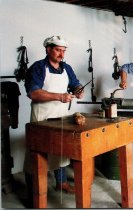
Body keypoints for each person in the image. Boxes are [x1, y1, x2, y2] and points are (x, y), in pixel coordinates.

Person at [24, 35, 84, 206]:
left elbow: (75, 83)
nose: (61, 54)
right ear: (48, 49)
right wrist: (59, 96)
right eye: (58, 50)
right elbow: (33, 93)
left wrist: (79, 90)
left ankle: (62, 183)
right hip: (41, 118)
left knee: (60, 151)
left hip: (61, 116)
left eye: (63, 51)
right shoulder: (37, 68)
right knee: (36, 157)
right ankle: (33, 195)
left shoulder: (66, 67)